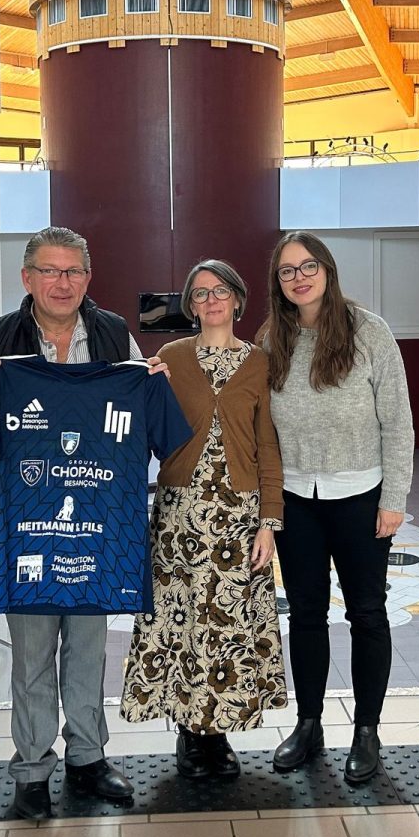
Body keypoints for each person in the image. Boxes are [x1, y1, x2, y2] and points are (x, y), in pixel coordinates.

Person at [0, 226, 161, 820]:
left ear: (88, 277)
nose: (62, 282)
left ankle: (88, 758)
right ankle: (30, 770)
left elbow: (139, 420)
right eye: (49, 271)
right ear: (27, 278)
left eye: (73, 271)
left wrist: (150, 386)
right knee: (30, 655)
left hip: (96, 521)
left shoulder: (114, 334)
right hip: (28, 523)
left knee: (87, 650)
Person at [121, 259, 287, 780]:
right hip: (180, 513)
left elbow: (267, 446)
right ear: (190, 306)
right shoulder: (170, 357)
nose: (210, 300)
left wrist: (269, 521)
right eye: (199, 293)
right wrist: (146, 390)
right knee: (182, 621)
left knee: (227, 624)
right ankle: (189, 733)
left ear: (237, 299)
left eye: (219, 291)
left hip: (238, 515)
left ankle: (217, 733)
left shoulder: (260, 363)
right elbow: (144, 433)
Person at [261, 231, 413, 785]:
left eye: (308, 266)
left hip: (361, 498)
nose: (299, 278)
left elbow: (398, 421)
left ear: (327, 270)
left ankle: (367, 731)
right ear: (277, 283)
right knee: (305, 615)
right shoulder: (272, 339)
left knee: (367, 614)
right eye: (287, 271)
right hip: (297, 500)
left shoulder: (369, 332)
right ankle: (309, 726)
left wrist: (394, 500)